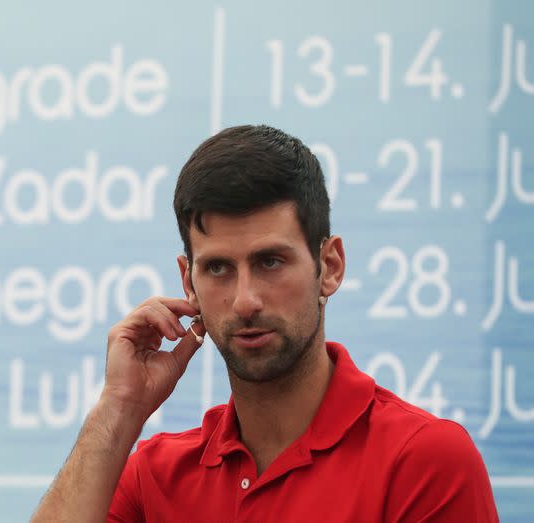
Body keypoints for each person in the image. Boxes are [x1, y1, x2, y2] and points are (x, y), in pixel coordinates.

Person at [31, 125, 499, 522]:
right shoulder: (153, 475)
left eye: (271, 261)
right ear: (187, 282)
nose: (245, 300)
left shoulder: (423, 461)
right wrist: (119, 408)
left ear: (330, 266)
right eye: (217, 268)